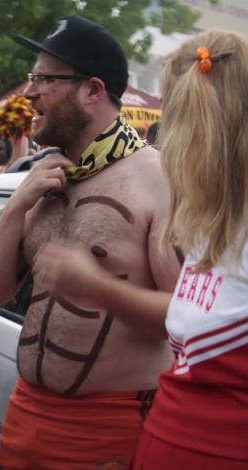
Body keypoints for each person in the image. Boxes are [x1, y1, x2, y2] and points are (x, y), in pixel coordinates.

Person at [0, 16, 181, 469]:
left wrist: (97, 287)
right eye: (32, 78)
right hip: (24, 414)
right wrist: (17, 204)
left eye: (44, 79)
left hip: (113, 428)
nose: (28, 92)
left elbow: (188, 322)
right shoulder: (44, 176)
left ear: (92, 90)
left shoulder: (157, 179)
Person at [37, 30, 248, 470]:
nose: (167, 144)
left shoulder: (166, 193)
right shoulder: (214, 223)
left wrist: (96, 287)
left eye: (176, 119)